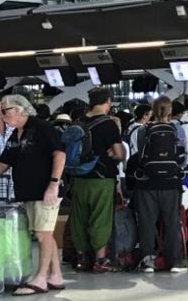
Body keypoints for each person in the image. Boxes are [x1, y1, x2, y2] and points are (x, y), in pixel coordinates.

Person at [0, 95, 66, 295]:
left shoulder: (42, 128)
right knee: (43, 233)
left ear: (20, 110)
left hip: (45, 191)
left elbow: (59, 154)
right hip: (28, 192)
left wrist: (53, 184)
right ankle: (55, 276)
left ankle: (40, 278)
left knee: (42, 234)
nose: (1, 115)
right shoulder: (16, 135)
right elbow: (2, 164)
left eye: (5, 110)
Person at [70, 88, 125, 273]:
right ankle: (101, 260)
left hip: (78, 178)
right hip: (101, 179)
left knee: (79, 219)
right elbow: (119, 154)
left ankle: (82, 259)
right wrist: (112, 153)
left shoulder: (78, 122)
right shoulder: (108, 124)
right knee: (100, 218)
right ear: (108, 101)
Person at [133, 97, 187, 273]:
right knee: (171, 222)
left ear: (153, 111)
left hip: (147, 183)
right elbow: (182, 157)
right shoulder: (177, 129)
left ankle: (148, 261)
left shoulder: (143, 130)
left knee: (147, 223)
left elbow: (139, 155)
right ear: (170, 111)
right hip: (170, 183)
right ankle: (175, 262)